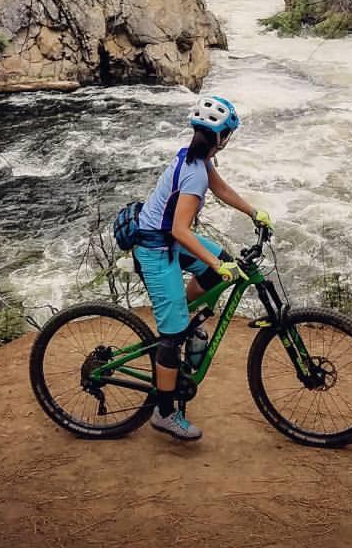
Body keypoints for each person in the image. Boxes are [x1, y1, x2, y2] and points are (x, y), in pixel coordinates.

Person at [133, 94, 272, 441]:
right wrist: (213, 263)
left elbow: (221, 188)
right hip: (156, 248)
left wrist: (253, 212)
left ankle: (186, 318)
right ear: (222, 137)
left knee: (221, 266)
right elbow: (181, 229)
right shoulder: (194, 173)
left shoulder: (199, 158)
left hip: (168, 239)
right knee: (172, 336)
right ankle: (163, 413)